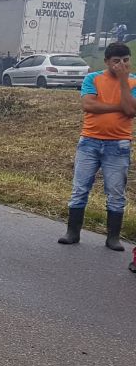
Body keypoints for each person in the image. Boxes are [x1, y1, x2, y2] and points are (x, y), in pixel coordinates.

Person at [59, 42, 136, 250]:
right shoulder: (92, 78)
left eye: (125, 60)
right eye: (116, 61)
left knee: (115, 192)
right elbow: (88, 105)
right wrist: (118, 106)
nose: (121, 64)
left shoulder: (133, 82)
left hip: (119, 144)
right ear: (107, 62)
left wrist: (122, 82)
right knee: (80, 188)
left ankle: (113, 238)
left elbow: (131, 111)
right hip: (90, 141)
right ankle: (72, 232)